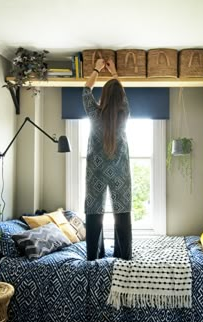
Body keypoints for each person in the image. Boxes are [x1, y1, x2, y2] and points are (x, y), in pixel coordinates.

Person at [82, 58, 132, 261]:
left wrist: (97, 69)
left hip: (96, 172)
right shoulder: (125, 114)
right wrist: (115, 73)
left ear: (103, 96)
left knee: (94, 213)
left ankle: (95, 257)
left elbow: (86, 91)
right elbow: (121, 94)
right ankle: (123, 257)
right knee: (122, 213)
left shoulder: (94, 114)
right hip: (120, 172)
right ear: (120, 97)